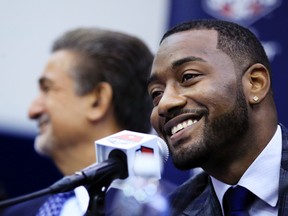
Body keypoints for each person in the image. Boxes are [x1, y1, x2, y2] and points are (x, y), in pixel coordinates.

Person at [1, 27, 154, 215]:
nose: (32, 111)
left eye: (47, 89)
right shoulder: (14, 213)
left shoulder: (156, 209)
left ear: (97, 100)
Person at [147, 19, 288, 215]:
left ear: (255, 83)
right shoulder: (172, 210)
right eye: (156, 93)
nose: (164, 103)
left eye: (188, 77)